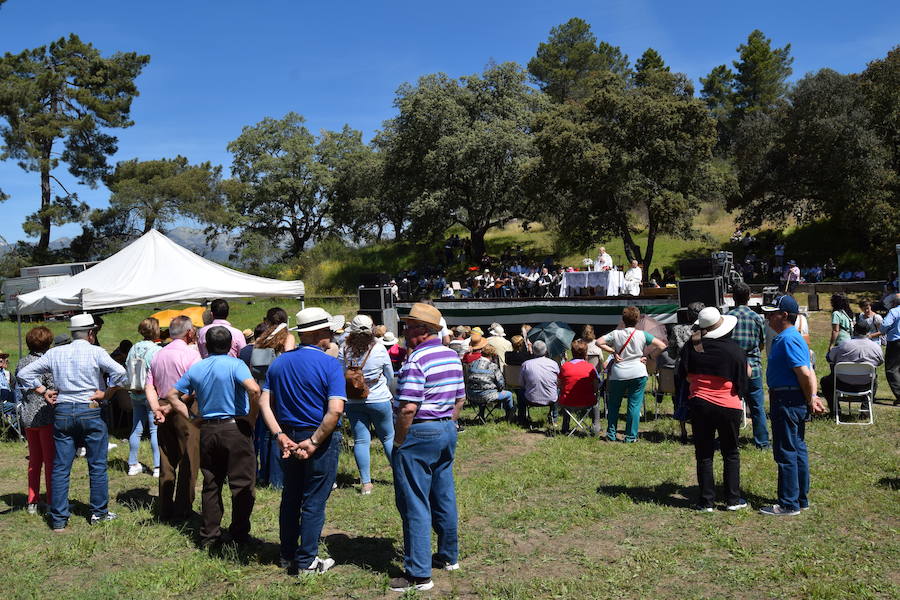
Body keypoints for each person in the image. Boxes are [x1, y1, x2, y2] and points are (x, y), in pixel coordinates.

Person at [17, 313, 127, 531]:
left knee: (60, 467)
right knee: (96, 464)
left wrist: (44, 391)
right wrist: (106, 393)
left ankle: (58, 519)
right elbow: (122, 373)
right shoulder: (96, 352)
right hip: (90, 409)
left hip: (64, 411)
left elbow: (23, 373)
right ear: (91, 333)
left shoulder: (55, 353)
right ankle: (99, 513)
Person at [259, 307, 346, 576]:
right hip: (318, 437)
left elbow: (264, 401)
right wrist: (315, 441)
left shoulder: (280, 362)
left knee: (291, 496)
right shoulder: (330, 364)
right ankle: (308, 560)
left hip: (288, 436)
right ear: (319, 333)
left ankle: (287, 554)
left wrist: (279, 435)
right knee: (314, 500)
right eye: (329, 330)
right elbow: (335, 410)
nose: (332, 334)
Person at [389, 303, 466, 592]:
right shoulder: (451, 356)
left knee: (414, 502)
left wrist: (399, 441)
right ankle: (448, 556)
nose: (405, 332)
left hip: (420, 432)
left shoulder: (415, 361)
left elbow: (408, 408)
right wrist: (446, 423)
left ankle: (419, 574)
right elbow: (460, 398)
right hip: (446, 428)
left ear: (423, 331)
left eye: (408, 327)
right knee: (443, 494)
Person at [165, 326, 260, 547]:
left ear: (206, 345)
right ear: (230, 345)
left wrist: (191, 416)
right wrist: (251, 417)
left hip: (208, 429)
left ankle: (209, 535)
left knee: (211, 483)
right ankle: (239, 534)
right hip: (234, 428)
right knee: (242, 484)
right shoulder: (236, 365)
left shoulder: (198, 368)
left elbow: (172, 395)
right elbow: (254, 390)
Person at [760, 295, 826, 516]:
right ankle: (800, 498)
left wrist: (810, 398)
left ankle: (789, 503)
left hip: (787, 400)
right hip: (793, 399)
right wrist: (813, 396)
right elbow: (810, 370)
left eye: (772, 314)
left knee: (786, 451)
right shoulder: (794, 337)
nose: (768, 318)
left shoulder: (787, 339)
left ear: (784, 315)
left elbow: (805, 373)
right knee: (797, 449)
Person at [678, 308, 749, 511]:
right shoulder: (735, 351)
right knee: (731, 452)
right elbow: (743, 383)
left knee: (704, 453)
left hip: (700, 404)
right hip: (728, 405)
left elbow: (683, 375)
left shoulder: (692, 347)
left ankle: (706, 500)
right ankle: (732, 499)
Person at [146, 315, 202, 523]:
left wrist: (157, 409)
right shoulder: (192, 356)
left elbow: (148, 386)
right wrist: (171, 406)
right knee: (189, 460)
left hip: (162, 406)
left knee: (167, 459)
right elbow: (193, 387)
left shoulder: (157, 355)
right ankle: (183, 510)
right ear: (189, 332)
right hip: (184, 408)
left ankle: (165, 508)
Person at [338, 314, 395, 495]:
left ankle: (366, 483)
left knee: (361, 440)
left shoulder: (344, 349)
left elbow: (339, 374)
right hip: (379, 398)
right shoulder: (378, 348)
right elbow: (390, 374)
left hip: (354, 401)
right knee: (387, 437)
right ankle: (400, 475)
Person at [598, 306, 666, 442]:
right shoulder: (643, 334)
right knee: (634, 406)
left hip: (618, 374)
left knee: (613, 405)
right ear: (637, 320)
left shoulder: (616, 334)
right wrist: (649, 356)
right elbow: (662, 345)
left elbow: (599, 342)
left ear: (623, 320)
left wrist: (613, 352)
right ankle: (630, 436)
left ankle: (611, 434)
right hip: (638, 372)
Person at [251, 308, 296, 490]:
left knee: (264, 434)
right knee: (278, 432)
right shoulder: (287, 337)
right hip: (278, 391)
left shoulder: (261, 339)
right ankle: (278, 480)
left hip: (262, 389)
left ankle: (263, 474)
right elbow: (289, 361)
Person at [14, 327, 56, 514]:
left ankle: (32, 500)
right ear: (47, 343)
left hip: (27, 416)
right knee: (50, 461)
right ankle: (52, 500)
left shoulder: (21, 362)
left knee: (34, 461)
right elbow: (54, 388)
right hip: (44, 415)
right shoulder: (45, 363)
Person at [727, 283, 769, 449]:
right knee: (758, 407)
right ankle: (762, 442)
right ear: (749, 296)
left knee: (732, 406)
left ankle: (731, 439)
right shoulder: (757, 318)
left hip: (732, 369)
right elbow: (762, 344)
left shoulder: (728, 318)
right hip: (754, 367)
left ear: (732, 297)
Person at [125, 318, 163, 477]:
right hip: (151, 393)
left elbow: (127, 367)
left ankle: (132, 464)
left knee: (136, 428)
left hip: (135, 393)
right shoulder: (156, 350)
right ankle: (157, 466)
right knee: (155, 430)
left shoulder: (133, 348)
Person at [820, 321, 883, 413]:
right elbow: (880, 362)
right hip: (865, 385)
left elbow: (829, 358)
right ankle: (865, 411)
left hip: (842, 384)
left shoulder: (843, 345)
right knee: (874, 380)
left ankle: (835, 411)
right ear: (869, 332)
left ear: (854, 330)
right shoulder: (876, 347)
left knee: (825, 382)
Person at [557, 340, 601, 435]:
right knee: (596, 404)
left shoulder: (565, 366)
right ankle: (596, 427)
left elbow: (559, 385)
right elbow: (596, 387)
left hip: (567, 402)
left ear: (572, 352)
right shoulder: (590, 367)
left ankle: (565, 427)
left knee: (565, 395)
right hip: (587, 402)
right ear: (585, 353)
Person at [465, 344, 515, 423]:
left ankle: (481, 417)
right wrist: (499, 389)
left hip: (471, 395)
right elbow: (501, 383)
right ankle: (510, 417)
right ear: (492, 355)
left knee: (481, 390)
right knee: (509, 394)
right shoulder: (492, 366)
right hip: (486, 396)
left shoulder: (472, 363)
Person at [518, 340, 559, 426]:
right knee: (557, 390)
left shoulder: (526, 364)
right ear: (546, 351)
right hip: (550, 399)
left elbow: (521, 384)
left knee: (520, 392)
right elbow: (558, 381)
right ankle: (554, 419)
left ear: (533, 351)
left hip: (530, 399)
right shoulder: (553, 364)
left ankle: (522, 419)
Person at [879, 300, 900, 404]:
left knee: (891, 369)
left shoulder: (894, 311)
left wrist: (883, 331)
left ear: (895, 303)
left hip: (896, 342)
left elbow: (885, 325)